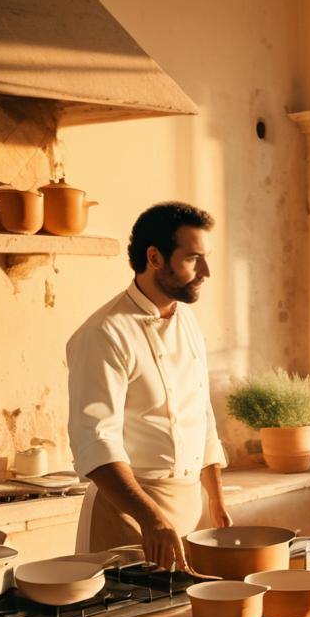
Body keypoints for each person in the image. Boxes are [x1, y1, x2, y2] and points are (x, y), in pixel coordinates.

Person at [66, 201, 231, 570]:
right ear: (155, 258)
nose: (206, 271)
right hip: (125, 516)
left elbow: (200, 412)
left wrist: (215, 498)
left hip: (187, 512)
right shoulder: (104, 334)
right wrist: (151, 518)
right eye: (193, 259)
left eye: (206, 257)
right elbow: (95, 441)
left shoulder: (187, 320)